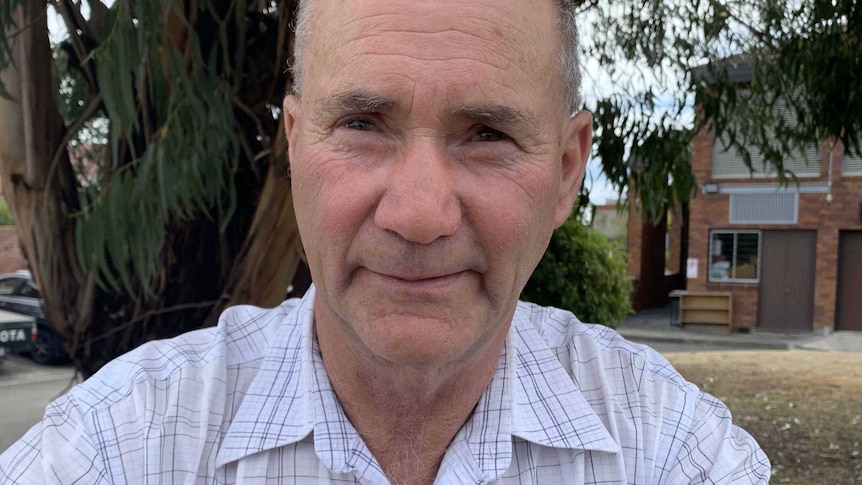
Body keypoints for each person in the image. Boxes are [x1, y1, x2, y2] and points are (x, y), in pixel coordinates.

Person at [0, 0, 770, 483]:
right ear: (295, 147)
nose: (418, 213)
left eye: (488, 133)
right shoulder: (114, 448)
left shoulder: (672, 449)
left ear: (568, 170)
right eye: (364, 124)